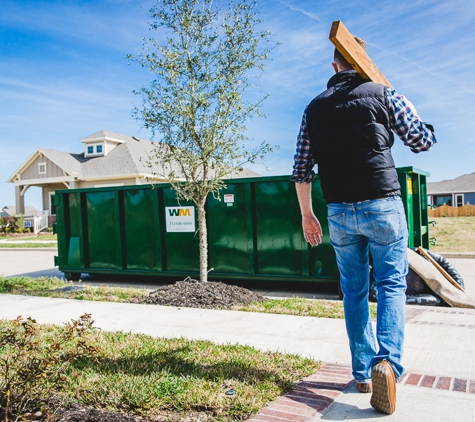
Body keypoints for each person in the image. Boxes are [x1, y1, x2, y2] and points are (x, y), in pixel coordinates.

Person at [291, 37, 436, 415]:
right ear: (361, 60)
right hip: (382, 204)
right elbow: (420, 141)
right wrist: (416, 115)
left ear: (334, 64)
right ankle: (386, 364)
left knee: (353, 290)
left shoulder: (313, 109)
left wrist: (308, 214)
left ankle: (362, 372)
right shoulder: (386, 94)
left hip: (338, 210)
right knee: (390, 284)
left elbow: (301, 169)